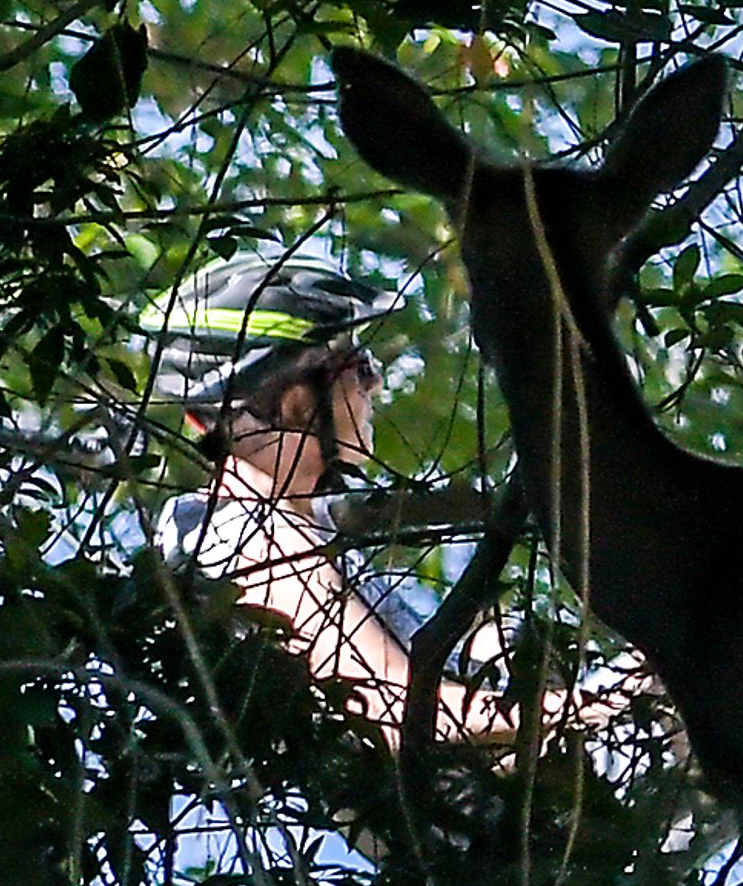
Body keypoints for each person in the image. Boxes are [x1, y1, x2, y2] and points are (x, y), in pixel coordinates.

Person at [143, 254, 520, 747]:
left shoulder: (305, 525)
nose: (376, 383)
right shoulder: (248, 543)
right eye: (359, 368)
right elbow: (400, 714)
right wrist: (609, 703)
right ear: (295, 403)